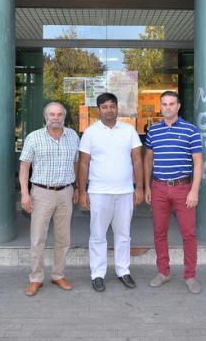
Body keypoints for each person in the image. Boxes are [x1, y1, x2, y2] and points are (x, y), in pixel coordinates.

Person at [78, 93, 144, 292]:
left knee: (123, 235)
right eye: (104, 106)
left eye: (112, 106)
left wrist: (139, 187)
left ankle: (123, 271)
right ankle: (97, 274)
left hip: (125, 192)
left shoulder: (129, 131)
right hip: (98, 192)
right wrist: (82, 192)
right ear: (99, 109)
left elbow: (138, 160)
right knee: (98, 235)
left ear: (117, 108)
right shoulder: (90, 133)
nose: (109, 110)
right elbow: (83, 163)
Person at [143, 91, 203, 294]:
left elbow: (198, 162)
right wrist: (147, 187)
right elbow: (148, 159)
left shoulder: (191, 130)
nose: (168, 107)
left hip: (183, 188)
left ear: (178, 106)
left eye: (171, 104)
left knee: (189, 233)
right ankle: (163, 272)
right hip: (159, 187)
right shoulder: (153, 131)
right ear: (161, 106)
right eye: (164, 104)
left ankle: (190, 275)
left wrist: (194, 191)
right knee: (159, 232)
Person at [19, 102, 80, 297]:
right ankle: (36, 278)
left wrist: (77, 187)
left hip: (65, 192)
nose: (55, 117)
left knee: (63, 238)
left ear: (64, 116)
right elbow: (24, 168)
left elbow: (76, 163)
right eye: (52, 114)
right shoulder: (34, 137)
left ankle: (58, 275)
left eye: (59, 114)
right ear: (46, 116)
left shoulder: (72, 136)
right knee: (38, 238)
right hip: (41, 193)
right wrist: (25, 194)